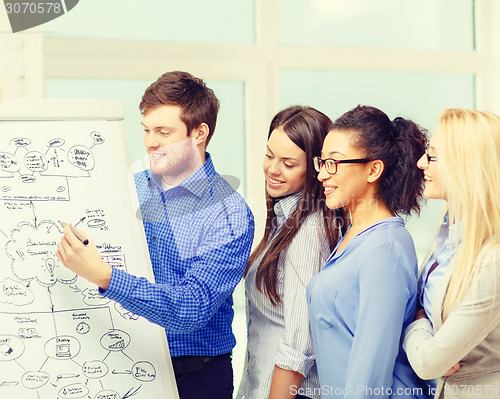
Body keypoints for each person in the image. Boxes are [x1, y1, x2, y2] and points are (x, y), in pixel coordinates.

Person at [55, 71, 255, 399]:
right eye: (147, 130)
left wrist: (103, 276)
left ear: (199, 133)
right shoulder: (130, 187)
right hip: (127, 361)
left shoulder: (229, 213)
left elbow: (192, 308)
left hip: (195, 377)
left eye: (164, 131)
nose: (150, 142)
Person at [307, 105, 430, 398]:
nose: (323, 174)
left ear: (373, 169)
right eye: (322, 162)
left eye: (334, 163)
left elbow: (371, 375)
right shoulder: (353, 235)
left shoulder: (386, 247)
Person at [236, 106, 346, 399]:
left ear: (314, 168)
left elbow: (300, 342)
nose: (273, 169)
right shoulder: (285, 218)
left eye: (288, 162)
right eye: (270, 155)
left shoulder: (309, 230)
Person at [403, 108, 500, 398]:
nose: (421, 163)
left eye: (432, 156)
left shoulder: (492, 260)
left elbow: (428, 362)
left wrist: (416, 323)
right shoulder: (447, 234)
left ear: (465, 166)